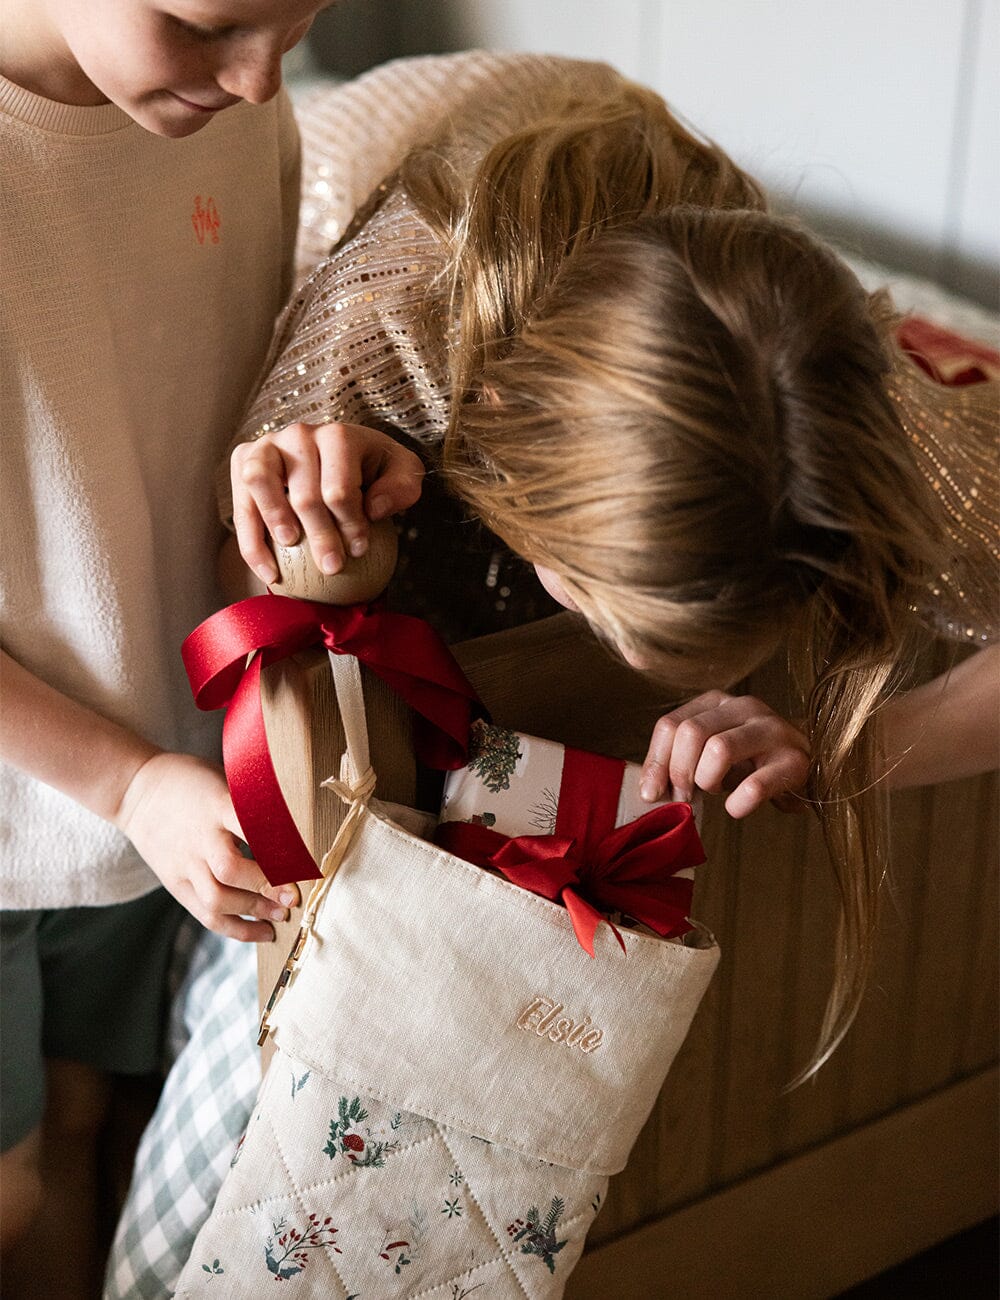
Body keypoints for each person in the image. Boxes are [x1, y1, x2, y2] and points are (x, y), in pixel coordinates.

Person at [106, 49, 998, 1296]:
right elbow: (242, 605)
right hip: (424, 164)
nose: (633, 672)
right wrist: (341, 561)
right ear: (521, 491)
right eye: (611, 619)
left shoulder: (836, 385)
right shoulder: (399, 314)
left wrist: (846, 747)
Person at [0, 2, 334, 1294]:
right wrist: (125, 782)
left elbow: (230, 411)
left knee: (84, 1122)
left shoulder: (238, 128)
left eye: (299, 23)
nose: (256, 78)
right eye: (209, 23)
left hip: (172, 783)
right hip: (78, 787)